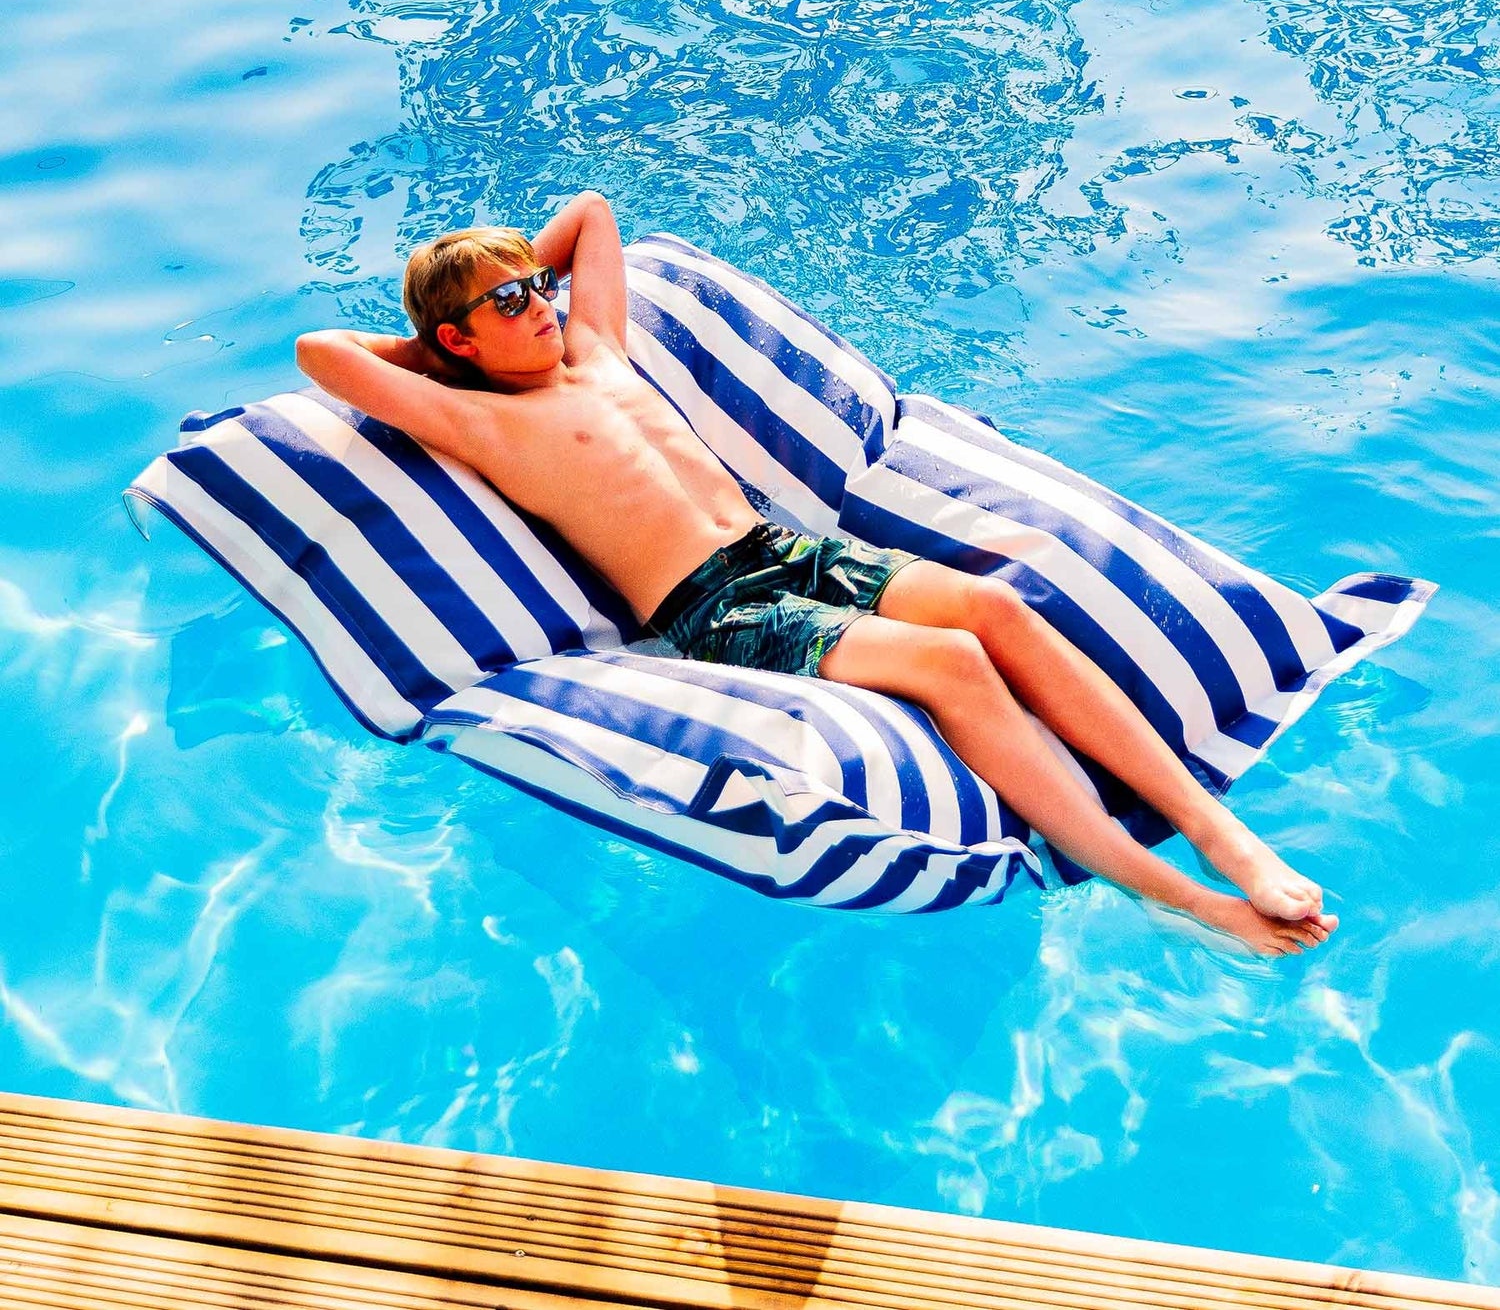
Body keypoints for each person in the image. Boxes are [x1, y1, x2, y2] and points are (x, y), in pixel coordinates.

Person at [297, 192, 1339, 957]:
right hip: (717, 604)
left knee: (994, 606)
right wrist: (445, 349)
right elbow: (322, 352)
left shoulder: (598, 345)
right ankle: (1177, 894)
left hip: (788, 549)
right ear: (455, 340)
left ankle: (1220, 835)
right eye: (508, 301)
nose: (538, 302)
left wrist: (508, 282)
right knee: (953, 662)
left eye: (536, 284)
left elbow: (593, 215)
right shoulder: (476, 416)